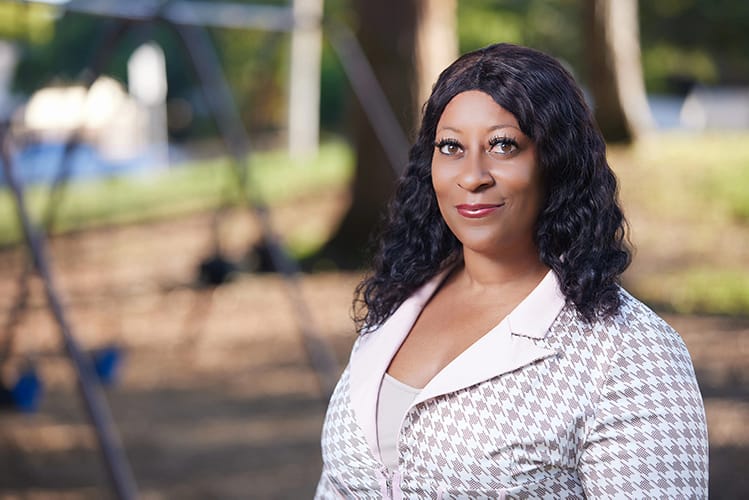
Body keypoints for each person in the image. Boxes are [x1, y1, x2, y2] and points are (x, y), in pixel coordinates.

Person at [315, 43, 708, 499]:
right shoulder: (396, 304)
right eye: (451, 147)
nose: (472, 176)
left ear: (555, 162)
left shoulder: (630, 353)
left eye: (503, 145)